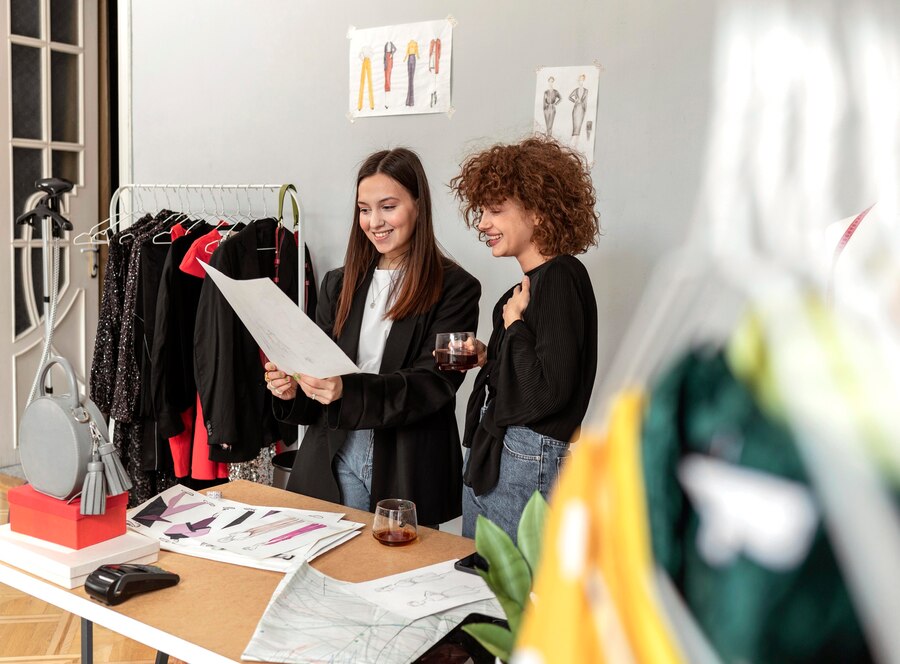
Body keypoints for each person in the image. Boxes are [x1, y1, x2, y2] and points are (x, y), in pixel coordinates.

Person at [265, 148, 480, 527]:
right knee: (331, 574)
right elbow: (321, 375)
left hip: (406, 461)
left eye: (388, 206)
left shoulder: (457, 288)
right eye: (364, 209)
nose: (374, 221)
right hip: (335, 452)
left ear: (418, 205)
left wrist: (347, 389)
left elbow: (436, 383)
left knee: (397, 579)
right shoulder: (339, 282)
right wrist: (294, 388)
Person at [449, 136, 600, 541]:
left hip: (526, 453)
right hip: (507, 450)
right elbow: (534, 369)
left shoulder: (560, 277)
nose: (482, 223)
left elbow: (549, 393)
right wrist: (490, 357)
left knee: (510, 591)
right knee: (480, 581)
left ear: (538, 213)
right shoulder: (533, 284)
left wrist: (513, 327)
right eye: (481, 211)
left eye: (495, 210)